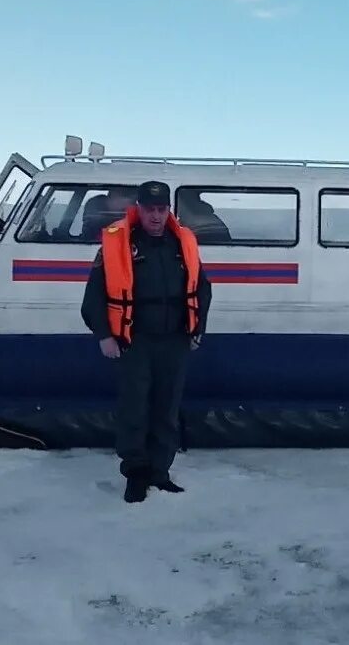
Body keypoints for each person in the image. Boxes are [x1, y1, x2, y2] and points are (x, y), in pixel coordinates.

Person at [81, 180, 212, 503]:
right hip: (134, 339)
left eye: (161, 209)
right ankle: (136, 472)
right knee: (135, 407)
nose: (155, 216)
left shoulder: (182, 243)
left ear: (169, 210)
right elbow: (93, 298)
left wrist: (198, 329)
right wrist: (104, 335)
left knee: (167, 408)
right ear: (138, 209)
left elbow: (202, 289)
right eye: (149, 209)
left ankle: (160, 471)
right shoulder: (119, 243)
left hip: (175, 340)